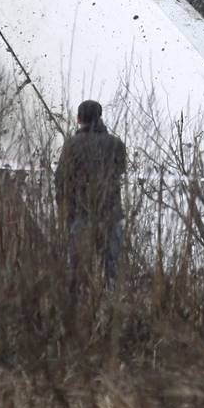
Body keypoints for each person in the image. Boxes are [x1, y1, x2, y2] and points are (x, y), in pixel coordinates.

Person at [54, 100, 128, 287]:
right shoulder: (116, 144)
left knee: (79, 272)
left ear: (79, 119)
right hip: (111, 214)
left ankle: (82, 310)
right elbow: (121, 170)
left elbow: (61, 179)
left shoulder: (72, 145)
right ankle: (112, 310)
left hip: (81, 214)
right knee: (112, 271)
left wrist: (65, 211)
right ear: (100, 117)